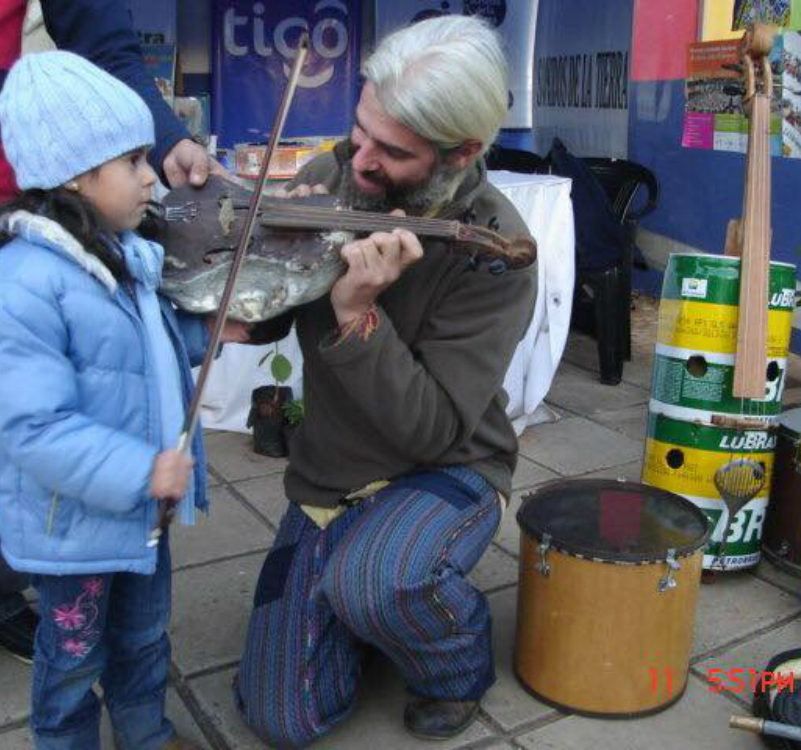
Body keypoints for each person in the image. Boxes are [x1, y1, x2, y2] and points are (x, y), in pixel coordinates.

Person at [0, 2, 219, 740]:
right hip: (79, 531)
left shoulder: (125, 254)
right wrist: (142, 471)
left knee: (146, 643)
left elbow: (135, 348)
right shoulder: (15, 288)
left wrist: (203, 330)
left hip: (142, 522)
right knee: (72, 664)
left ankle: (146, 733)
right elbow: (32, 426)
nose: (152, 179)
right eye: (135, 162)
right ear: (77, 178)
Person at [234, 14, 538, 746]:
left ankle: (453, 661)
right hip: (332, 472)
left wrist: (357, 313)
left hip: (446, 469)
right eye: (359, 131)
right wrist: (244, 300)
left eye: (391, 152)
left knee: (377, 582)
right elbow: (277, 305)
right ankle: (372, 596)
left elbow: (432, 428)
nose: (358, 161)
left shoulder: (494, 251)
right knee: (281, 717)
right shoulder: (327, 176)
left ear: (460, 152)